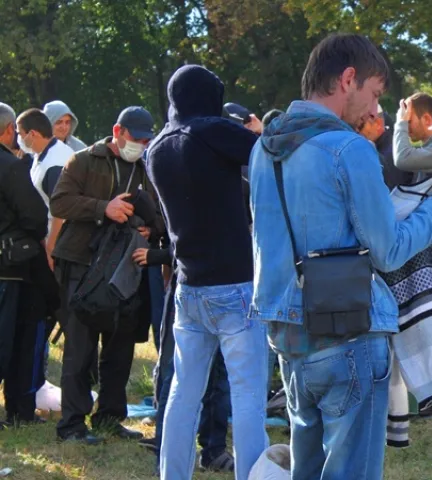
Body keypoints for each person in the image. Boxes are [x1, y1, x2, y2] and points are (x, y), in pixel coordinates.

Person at [250, 33, 432, 480]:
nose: (372, 108)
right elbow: (390, 250)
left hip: (287, 331)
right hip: (348, 331)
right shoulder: (349, 149)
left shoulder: (264, 148)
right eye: (373, 93)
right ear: (348, 79)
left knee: (308, 467)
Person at [147, 64, 269, 480]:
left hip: (188, 285)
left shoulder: (156, 147)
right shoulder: (212, 132)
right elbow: (266, 150)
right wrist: (257, 127)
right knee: (248, 394)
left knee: (184, 392)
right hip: (234, 284)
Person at [50, 106, 163, 444]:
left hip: (125, 268)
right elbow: (61, 203)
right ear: (118, 132)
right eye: (136, 138)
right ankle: (72, 424)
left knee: (120, 347)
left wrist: (148, 225)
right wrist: (104, 208)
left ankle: (110, 417)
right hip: (82, 266)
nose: (141, 144)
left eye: (146, 139)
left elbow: (160, 213)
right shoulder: (83, 160)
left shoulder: (147, 167)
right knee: (79, 350)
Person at [133, 244, 235, 475]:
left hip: (229, 281)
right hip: (190, 283)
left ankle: (213, 449)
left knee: (219, 374)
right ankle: (166, 456)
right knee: (175, 378)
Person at [0, 102, 57, 427]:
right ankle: (19, 409)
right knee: (13, 340)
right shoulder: (10, 167)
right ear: (10, 130)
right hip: (10, 268)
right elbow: (35, 217)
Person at [16, 108, 75, 266]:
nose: (19, 138)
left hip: (61, 242)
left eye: (20, 134)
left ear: (33, 134)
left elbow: (61, 209)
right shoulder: (41, 154)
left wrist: (51, 246)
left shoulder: (55, 163)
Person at [393, 92, 432, 181]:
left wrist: (401, 122)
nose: (406, 126)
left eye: (408, 120)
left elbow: (402, 159)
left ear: (426, 119)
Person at [358, 104, 412, 189]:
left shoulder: (391, 155)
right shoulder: (385, 148)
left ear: (378, 124)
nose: (355, 131)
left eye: (360, 126)